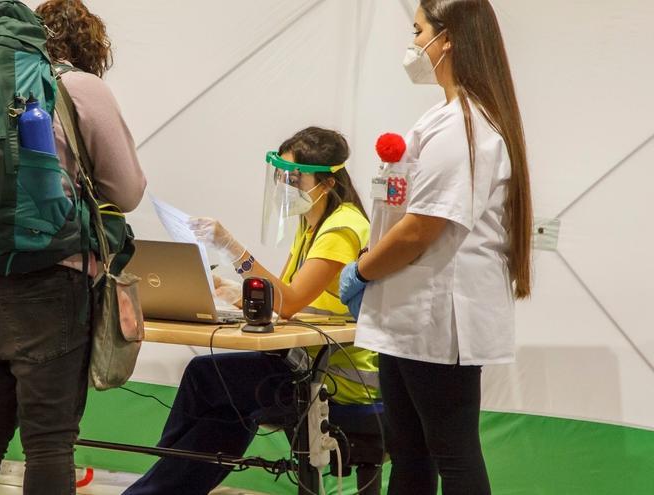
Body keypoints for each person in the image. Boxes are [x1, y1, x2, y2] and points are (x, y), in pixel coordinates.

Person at [0, 1, 146, 494]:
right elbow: (127, 191)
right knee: (50, 442)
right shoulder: (77, 86)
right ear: (90, 45)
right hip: (49, 284)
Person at [124, 127, 380, 495]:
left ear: (326, 180)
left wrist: (232, 248)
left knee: (215, 384)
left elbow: (289, 302)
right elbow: (290, 297)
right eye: (281, 176)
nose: (285, 185)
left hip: (339, 378)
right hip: (304, 364)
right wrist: (236, 292)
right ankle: (163, 484)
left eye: (294, 177)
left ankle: (156, 488)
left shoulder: (342, 227)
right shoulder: (312, 226)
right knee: (213, 389)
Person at [350, 1, 533, 494]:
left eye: (418, 31)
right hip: (410, 317)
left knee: (451, 454)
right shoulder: (444, 118)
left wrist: (362, 271)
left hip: (437, 321)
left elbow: (419, 230)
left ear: (446, 39)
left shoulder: (464, 128)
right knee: (409, 455)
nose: (412, 45)